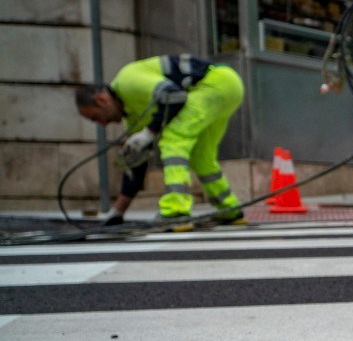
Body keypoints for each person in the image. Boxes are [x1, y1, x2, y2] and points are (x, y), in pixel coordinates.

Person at [75, 55, 247, 231]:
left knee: (173, 139)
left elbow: (174, 95)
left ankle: (176, 212)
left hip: (213, 84)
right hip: (228, 85)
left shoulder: (127, 81)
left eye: (96, 117)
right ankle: (229, 209)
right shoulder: (133, 117)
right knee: (201, 155)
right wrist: (118, 212)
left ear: (101, 100)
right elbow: (137, 166)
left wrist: (150, 132)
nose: (102, 124)